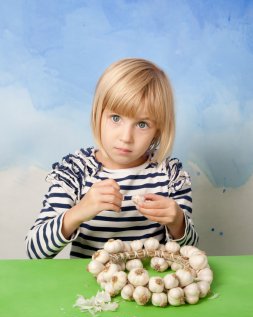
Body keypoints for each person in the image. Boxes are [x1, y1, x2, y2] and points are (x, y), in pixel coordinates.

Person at [26, 58, 198, 259]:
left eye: (142, 124)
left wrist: (177, 221)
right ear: (98, 114)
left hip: (147, 287)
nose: (126, 138)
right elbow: (35, 251)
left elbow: (190, 252)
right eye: (116, 118)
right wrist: (79, 212)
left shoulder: (170, 176)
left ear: (158, 131)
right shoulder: (75, 172)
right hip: (89, 288)